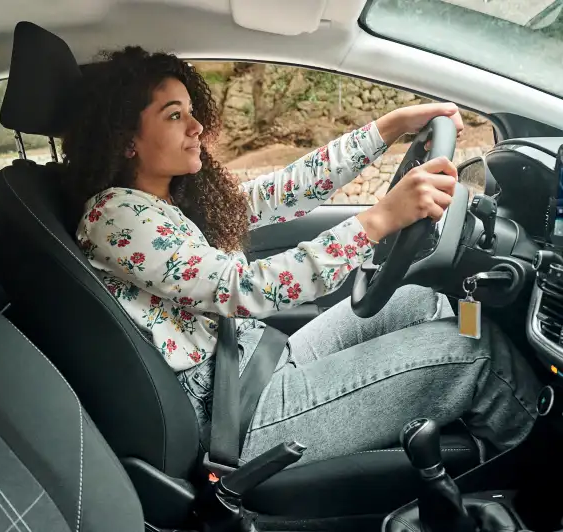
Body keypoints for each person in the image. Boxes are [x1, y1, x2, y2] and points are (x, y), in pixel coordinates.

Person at [63, 46, 540, 465]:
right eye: (174, 115)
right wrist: (378, 221)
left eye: (192, 111)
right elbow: (242, 289)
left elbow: (285, 190)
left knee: (417, 298)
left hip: (250, 363)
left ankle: (468, 446)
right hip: (236, 413)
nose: (197, 126)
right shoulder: (115, 216)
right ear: (126, 139)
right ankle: (536, 474)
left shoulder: (171, 201)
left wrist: (389, 127)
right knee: (473, 353)